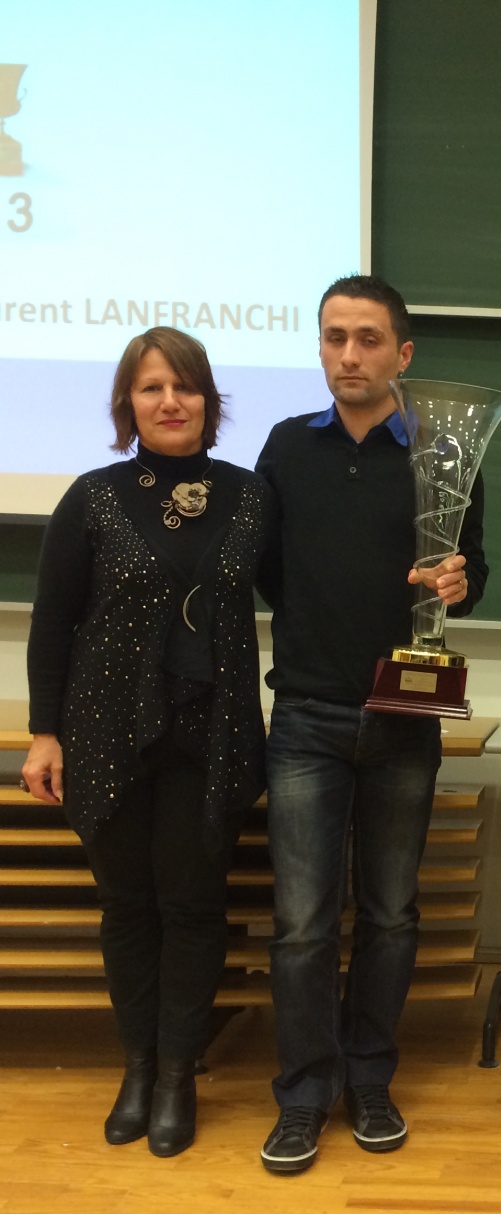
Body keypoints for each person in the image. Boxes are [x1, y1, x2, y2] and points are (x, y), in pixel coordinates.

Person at [254, 274, 486, 1175]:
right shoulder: (286, 446)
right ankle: (304, 1094)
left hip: (404, 715)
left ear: (403, 354)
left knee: (390, 915)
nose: (348, 355)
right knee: (303, 924)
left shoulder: (444, 453)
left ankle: (370, 1077)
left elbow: (474, 572)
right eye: (334, 338)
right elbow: (266, 571)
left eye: (367, 339)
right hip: (306, 716)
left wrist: (459, 583)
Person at [22, 327, 272, 1158]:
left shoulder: (250, 496)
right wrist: (44, 734)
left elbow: (302, 590)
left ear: (208, 400)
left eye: (185, 386)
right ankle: (137, 1067)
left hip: (214, 734)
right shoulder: (92, 498)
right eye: (152, 388)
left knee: (194, 907)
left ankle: (176, 1076)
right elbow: (53, 621)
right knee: (128, 907)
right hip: (105, 735)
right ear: (128, 403)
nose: (171, 402)